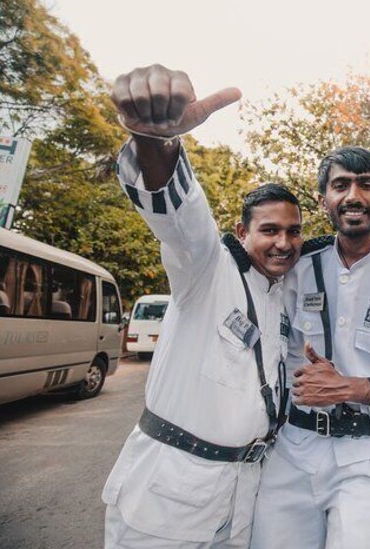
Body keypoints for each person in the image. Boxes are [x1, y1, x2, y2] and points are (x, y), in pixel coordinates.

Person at [101, 64, 303, 548]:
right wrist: (157, 144)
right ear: (241, 233)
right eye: (269, 231)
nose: (283, 243)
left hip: (245, 497)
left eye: (293, 231)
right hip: (167, 499)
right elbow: (181, 217)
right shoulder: (206, 268)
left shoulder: (285, 295)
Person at [250, 146, 370, 549]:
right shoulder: (300, 263)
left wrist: (353, 388)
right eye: (341, 185)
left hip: (367, 453)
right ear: (324, 200)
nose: (353, 196)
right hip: (294, 446)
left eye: (366, 185)